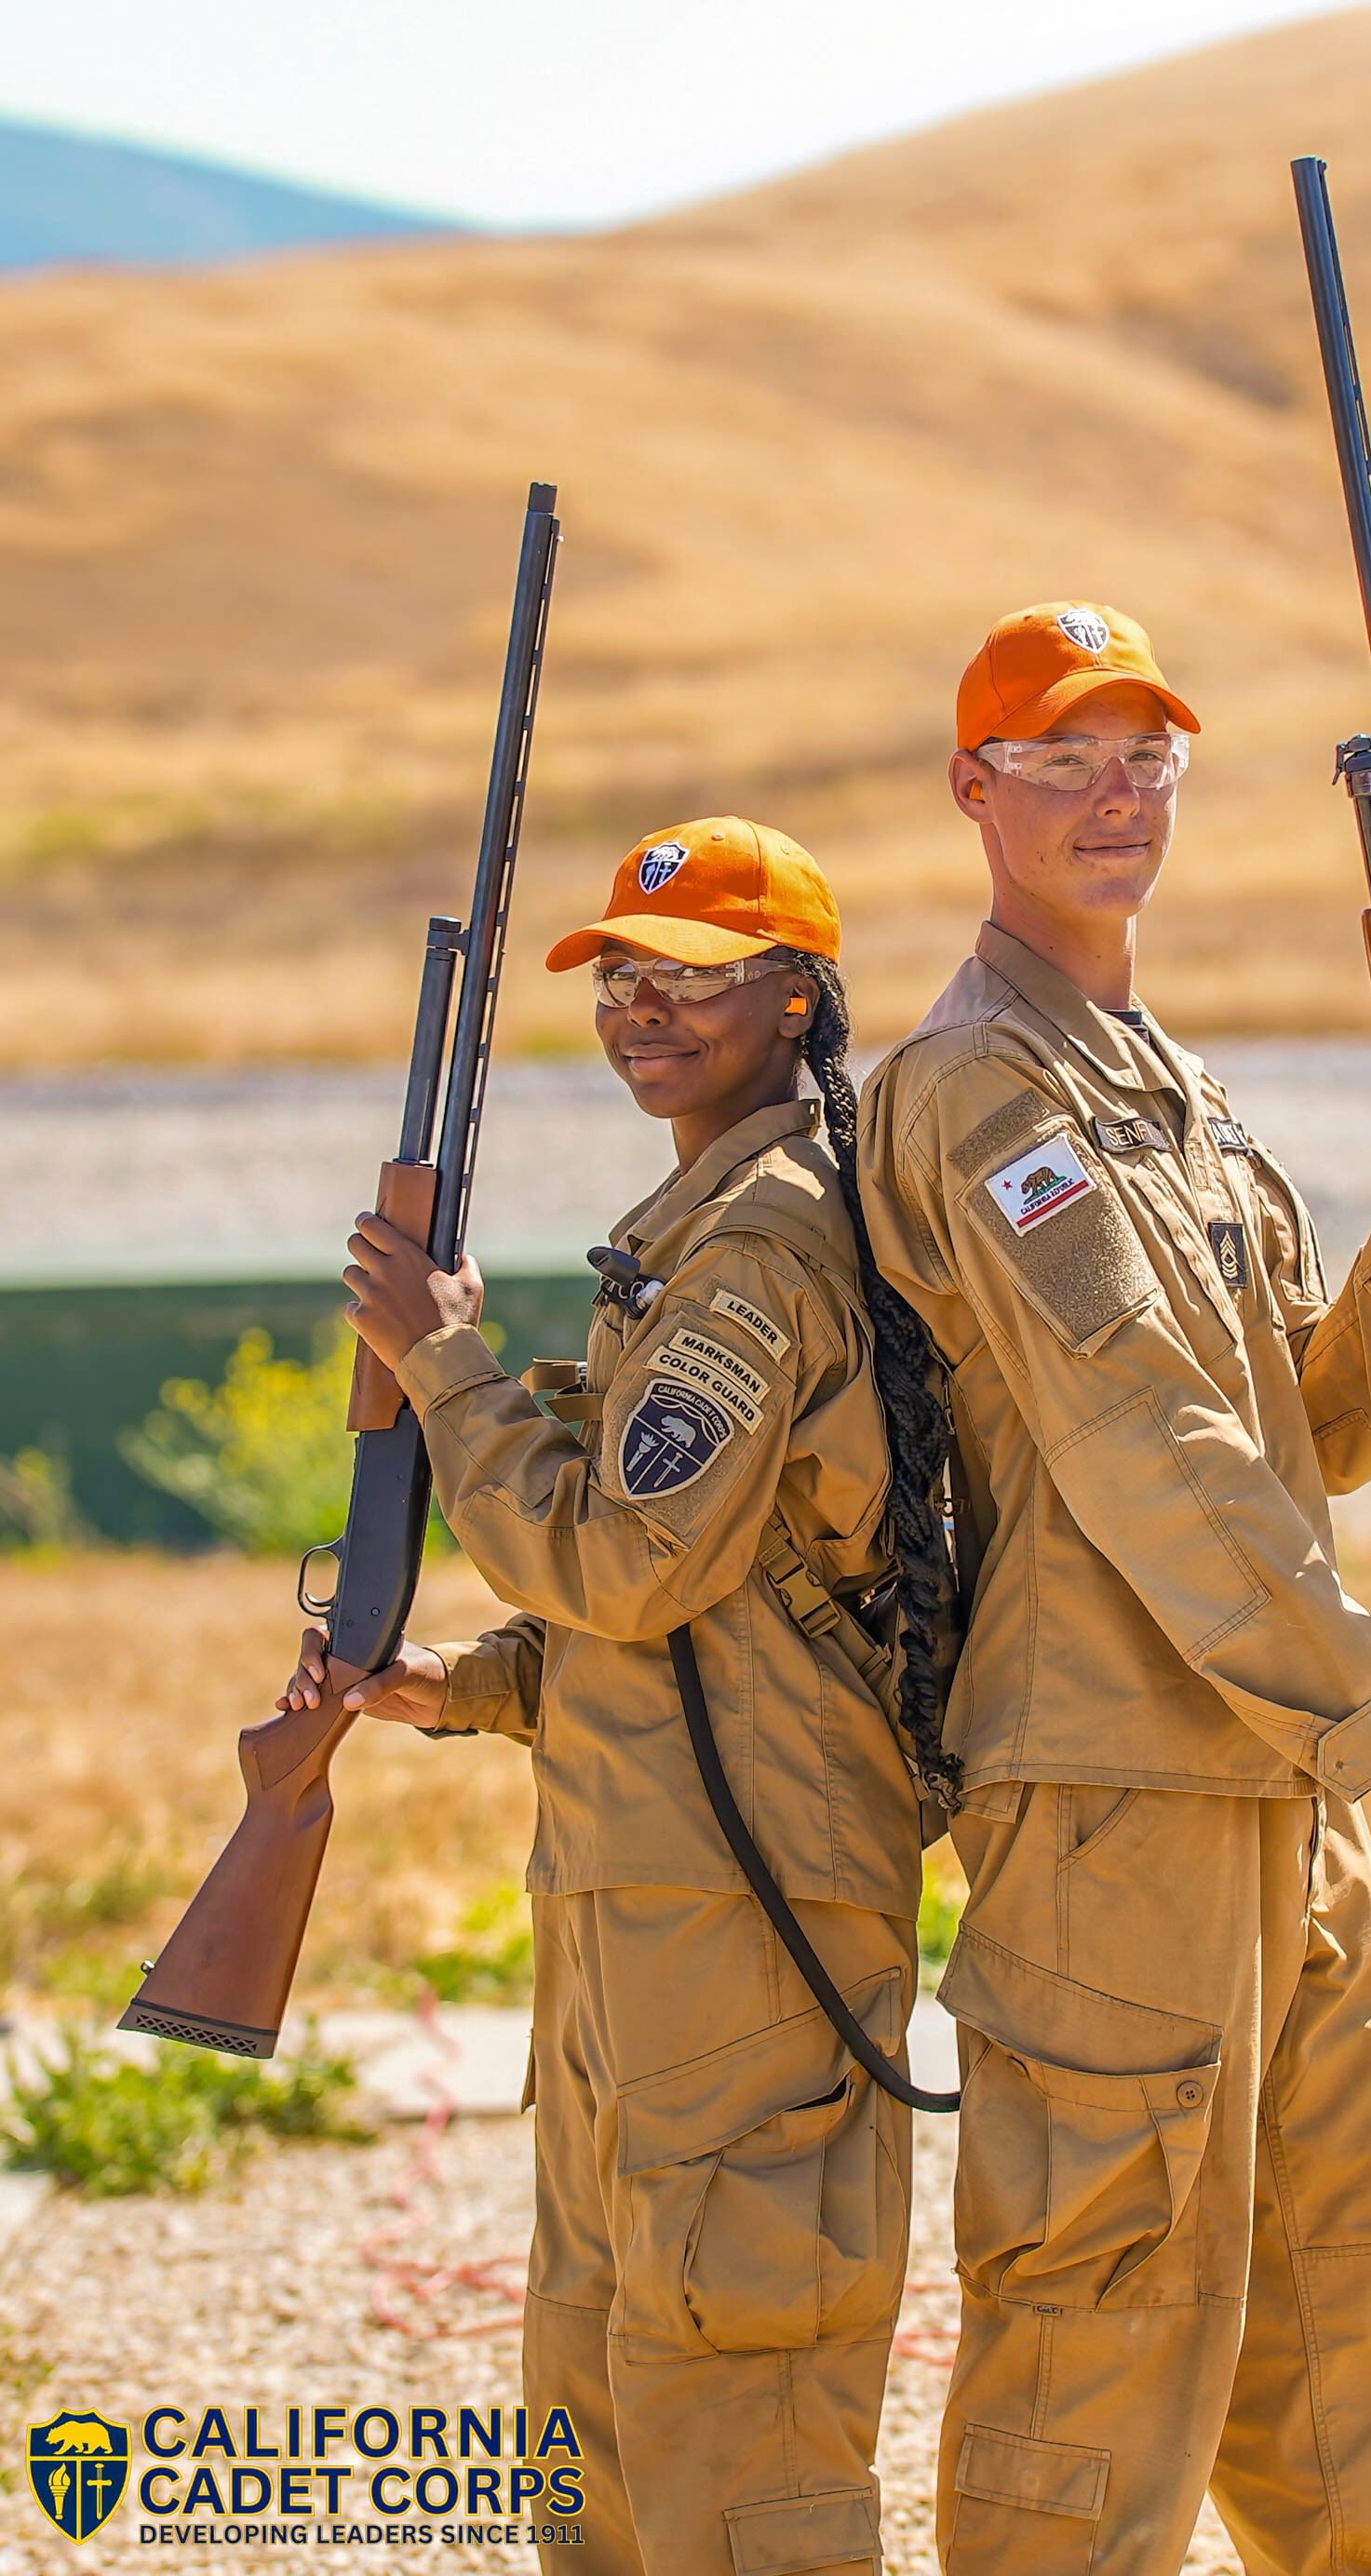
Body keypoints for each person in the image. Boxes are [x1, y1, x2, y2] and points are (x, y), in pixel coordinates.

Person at [855, 602, 1371, 2576]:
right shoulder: (986, 1092)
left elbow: (1309, 1426)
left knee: (1361, 2325)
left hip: (1274, 1790)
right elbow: (1153, 1457)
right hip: (1119, 1813)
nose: (1113, 797)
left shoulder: (1170, 1087)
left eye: (1145, 756)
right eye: (1061, 760)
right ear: (974, 792)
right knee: (1104, 2353)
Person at [281, 817, 953, 2576]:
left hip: (741, 1896)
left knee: (733, 2369)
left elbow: (628, 1566)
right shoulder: (699, 1218)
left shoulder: (761, 1243)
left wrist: (447, 1367)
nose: (645, 1009)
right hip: (646, 1870)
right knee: (599, 2363)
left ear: (799, 998)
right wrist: (468, 1688)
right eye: (624, 976)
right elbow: (698, 1604)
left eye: (699, 977)